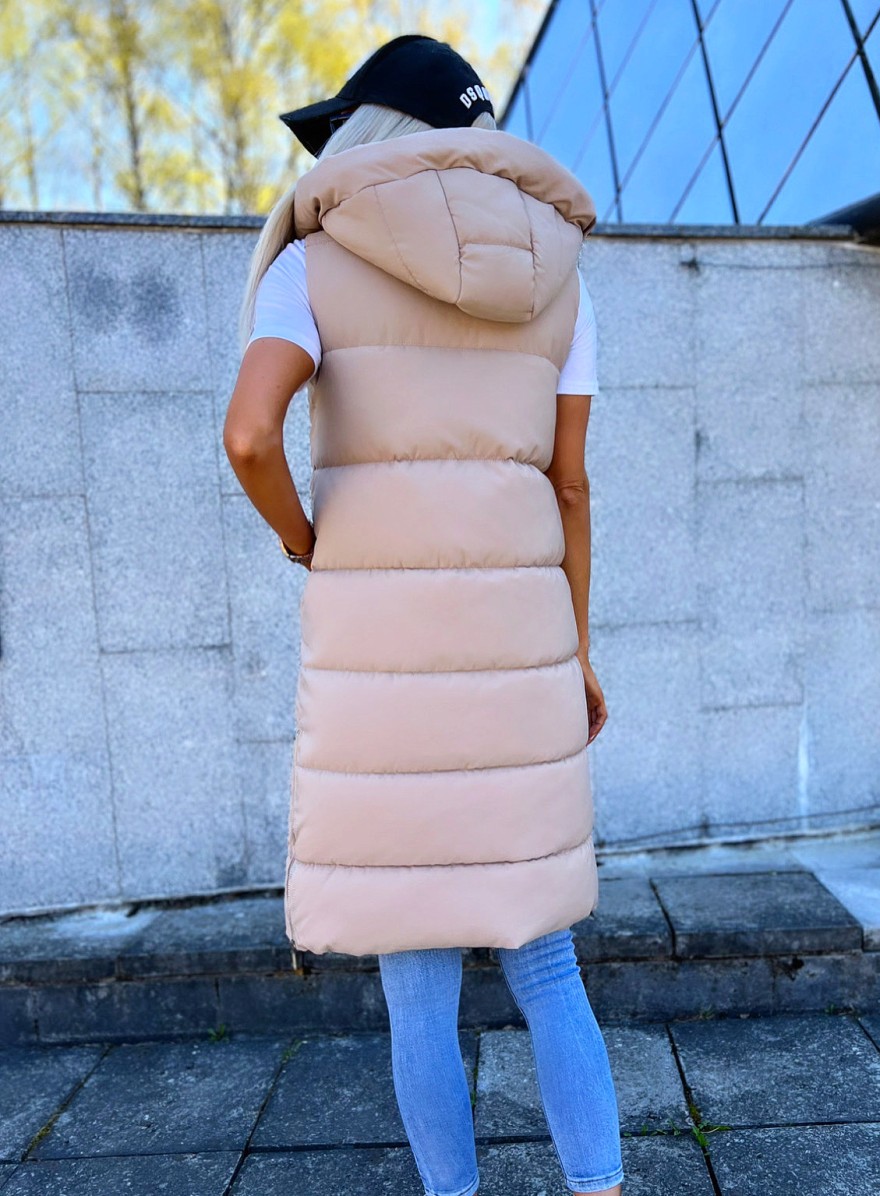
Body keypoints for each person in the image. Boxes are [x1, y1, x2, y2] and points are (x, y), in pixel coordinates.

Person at [223, 34, 622, 1196]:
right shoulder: (556, 273)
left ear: (370, 134)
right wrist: (575, 653)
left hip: (384, 678)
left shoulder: (315, 260)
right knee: (547, 965)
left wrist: (306, 540)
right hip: (520, 662)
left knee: (418, 991)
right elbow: (570, 486)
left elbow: (249, 435)